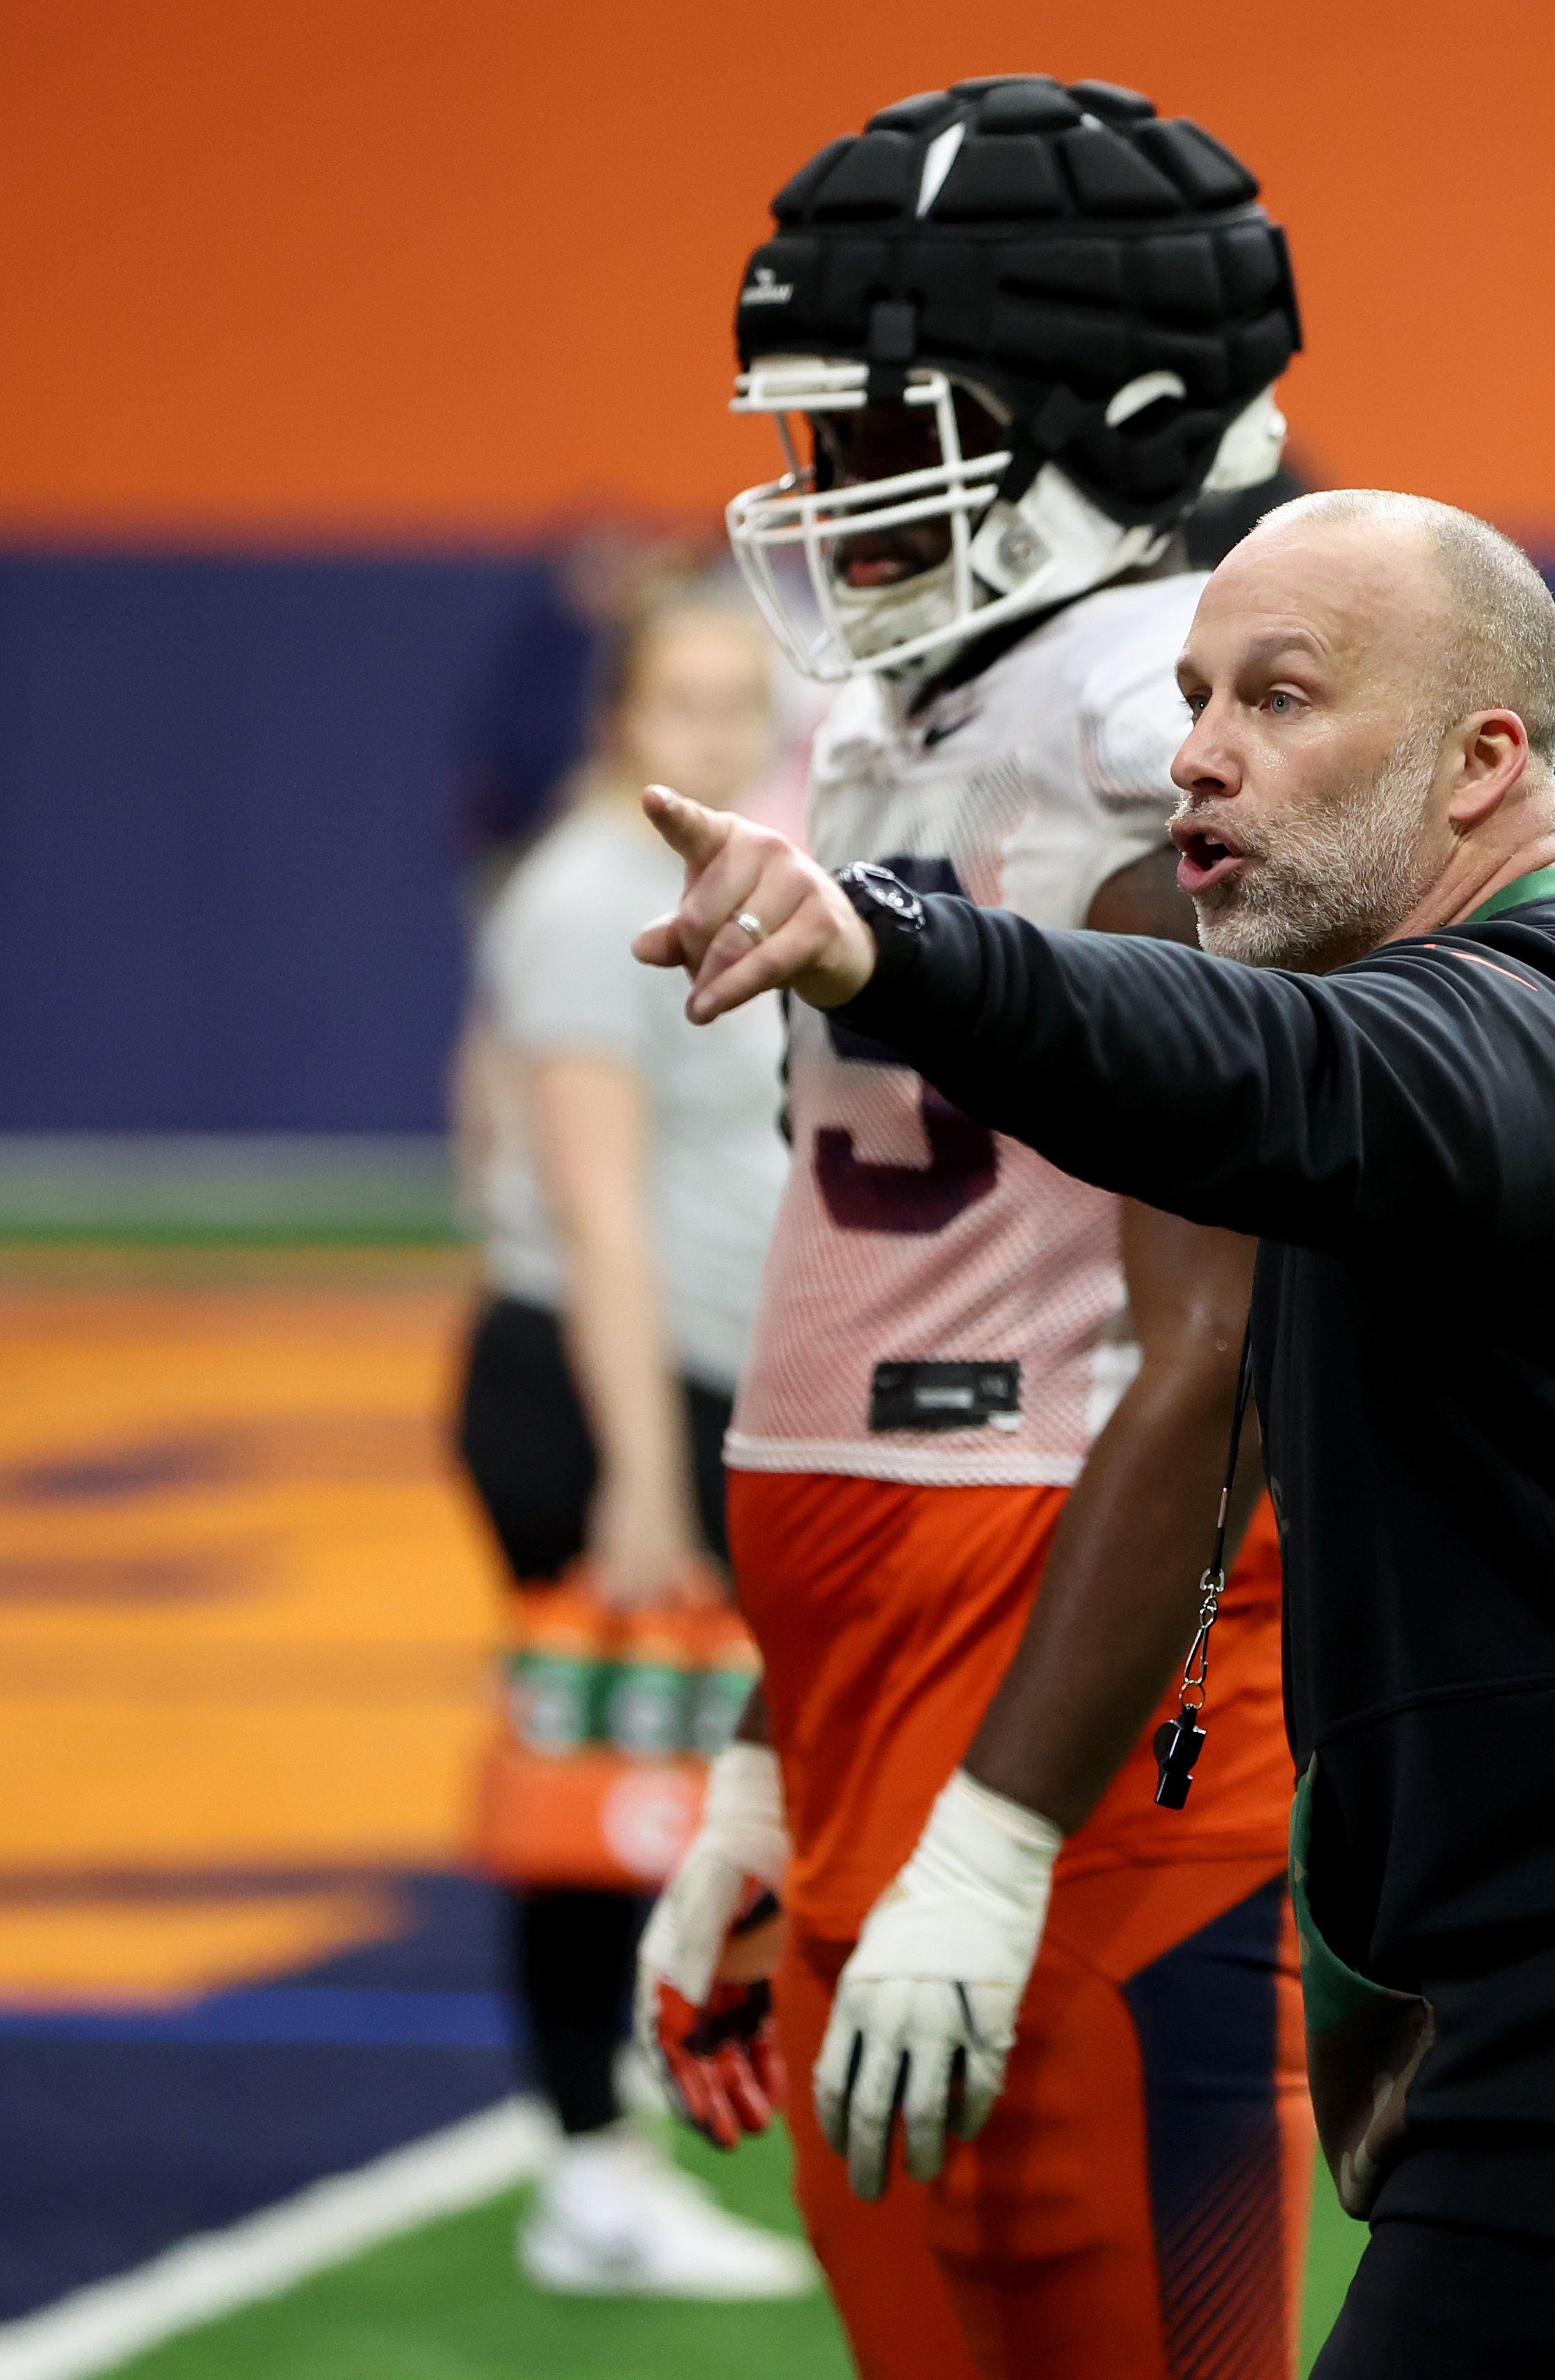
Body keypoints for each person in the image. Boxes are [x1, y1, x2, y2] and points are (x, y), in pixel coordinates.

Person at [633, 486, 1555, 2380]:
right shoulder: (1444, 1057)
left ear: (1485, 763)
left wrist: (892, 951)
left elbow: (1262, 1074)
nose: (1200, 749)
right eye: (1193, 691)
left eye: (1281, 697)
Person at [627, 75, 1316, 2380]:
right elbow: (879, 1285)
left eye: (902, 425)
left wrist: (1000, 1830)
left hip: (1074, 1681)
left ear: (1114, 417)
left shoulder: (1169, 716)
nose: (842, 492)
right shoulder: (918, 705)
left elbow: (1205, 1351)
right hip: (873, 1686)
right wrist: (768, 1762)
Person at [455, 581, 807, 2297]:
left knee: (682, 1782)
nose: (720, 733)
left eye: (745, 698)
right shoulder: (592, 892)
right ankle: (593, 2173)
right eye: (684, 700)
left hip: (685, 1384)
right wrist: (648, 1482)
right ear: (619, 717)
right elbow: (595, 1213)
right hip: (612, 1402)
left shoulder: (703, 872)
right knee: (607, 1801)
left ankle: (624, 2145)